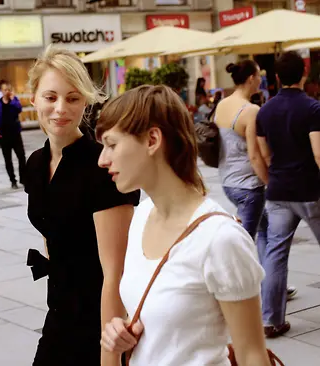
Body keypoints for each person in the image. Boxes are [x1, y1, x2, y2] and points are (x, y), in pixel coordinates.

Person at [97, 85, 271, 365]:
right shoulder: (141, 217)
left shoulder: (220, 238)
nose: (102, 160)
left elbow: (252, 354)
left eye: (112, 144)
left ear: (152, 139)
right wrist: (119, 334)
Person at [24, 46, 140, 366]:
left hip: (100, 318)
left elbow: (114, 275)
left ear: (85, 102)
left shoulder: (101, 167)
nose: (61, 109)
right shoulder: (36, 164)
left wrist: (110, 357)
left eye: (73, 98)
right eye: (50, 97)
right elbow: (50, 232)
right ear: (33, 98)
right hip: (59, 309)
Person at [256, 51, 320, 338]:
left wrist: (273, 181)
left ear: (277, 77)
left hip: (278, 192)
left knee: (275, 255)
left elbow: (263, 154)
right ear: (303, 74)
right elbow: (319, 153)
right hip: (310, 191)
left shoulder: (264, 111)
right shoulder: (313, 108)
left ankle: (271, 321)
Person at [215, 60, 269, 264]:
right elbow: (255, 157)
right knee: (244, 241)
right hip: (248, 186)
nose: (261, 80)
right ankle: (235, 284)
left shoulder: (222, 105)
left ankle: (272, 280)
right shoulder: (251, 111)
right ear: (250, 79)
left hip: (228, 182)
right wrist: (270, 183)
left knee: (266, 228)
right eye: (259, 76)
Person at [0, 81, 26, 189]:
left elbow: (19, 109)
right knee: (8, 159)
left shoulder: (14, 101)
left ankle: (23, 179)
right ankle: (13, 180)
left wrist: (12, 100)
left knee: (21, 156)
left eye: (9, 89)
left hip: (15, 133)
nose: (7, 92)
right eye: (5, 90)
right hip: (4, 135)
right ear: (1, 91)